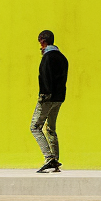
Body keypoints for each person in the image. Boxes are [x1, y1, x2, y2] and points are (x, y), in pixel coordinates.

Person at [32, 30, 68, 173]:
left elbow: (45, 78)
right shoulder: (63, 58)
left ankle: (49, 158)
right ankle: (55, 160)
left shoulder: (47, 58)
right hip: (59, 98)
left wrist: (44, 96)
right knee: (51, 128)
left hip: (47, 98)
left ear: (42, 40)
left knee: (35, 127)